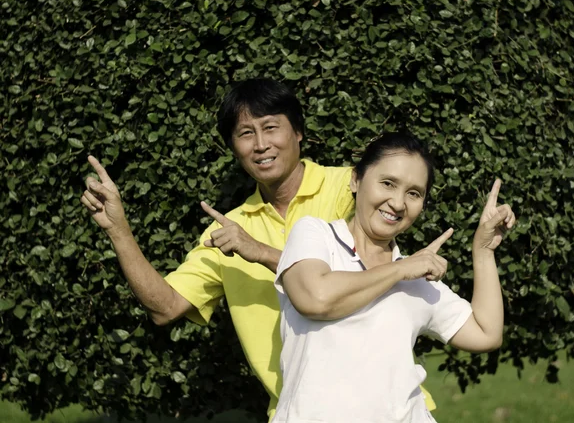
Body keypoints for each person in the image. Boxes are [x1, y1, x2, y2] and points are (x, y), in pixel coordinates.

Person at [80, 79, 436, 420]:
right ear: (233, 147)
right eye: (245, 134)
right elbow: (166, 307)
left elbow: (372, 276)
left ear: (298, 132)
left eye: (271, 127)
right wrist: (119, 230)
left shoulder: (351, 188)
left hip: (394, 408)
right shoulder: (229, 230)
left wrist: (261, 252)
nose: (261, 144)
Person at [273, 132, 516, 422]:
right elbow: (315, 298)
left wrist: (484, 251)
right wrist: (400, 270)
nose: (398, 203)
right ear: (355, 180)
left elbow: (486, 333)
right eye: (388, 183)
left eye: (414, 193)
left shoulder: (416, 277)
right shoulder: (316, 235)